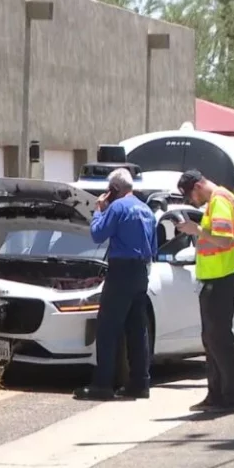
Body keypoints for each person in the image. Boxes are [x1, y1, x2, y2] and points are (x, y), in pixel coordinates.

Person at [73, 168, 157, 401]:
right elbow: (153, 247)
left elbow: (98, 234)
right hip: (141, 271)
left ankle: (102, 384)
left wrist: (99, 211)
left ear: (114, 189)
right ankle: (140, 383)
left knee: (107, 328)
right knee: (137, 329)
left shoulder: (117, 207)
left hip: (121, 271)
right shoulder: (146, 210)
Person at [175, 169, 234, 414]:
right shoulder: (218, 200)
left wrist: (195, 230)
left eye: (190, 196)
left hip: (221, 277)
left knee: (219, 338)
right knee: (212, 339)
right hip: (216, 278)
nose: (191, 201)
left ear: (198, 186)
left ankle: (232, 396)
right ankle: (217, 394)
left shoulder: (219, 201)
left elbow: (224, 240)